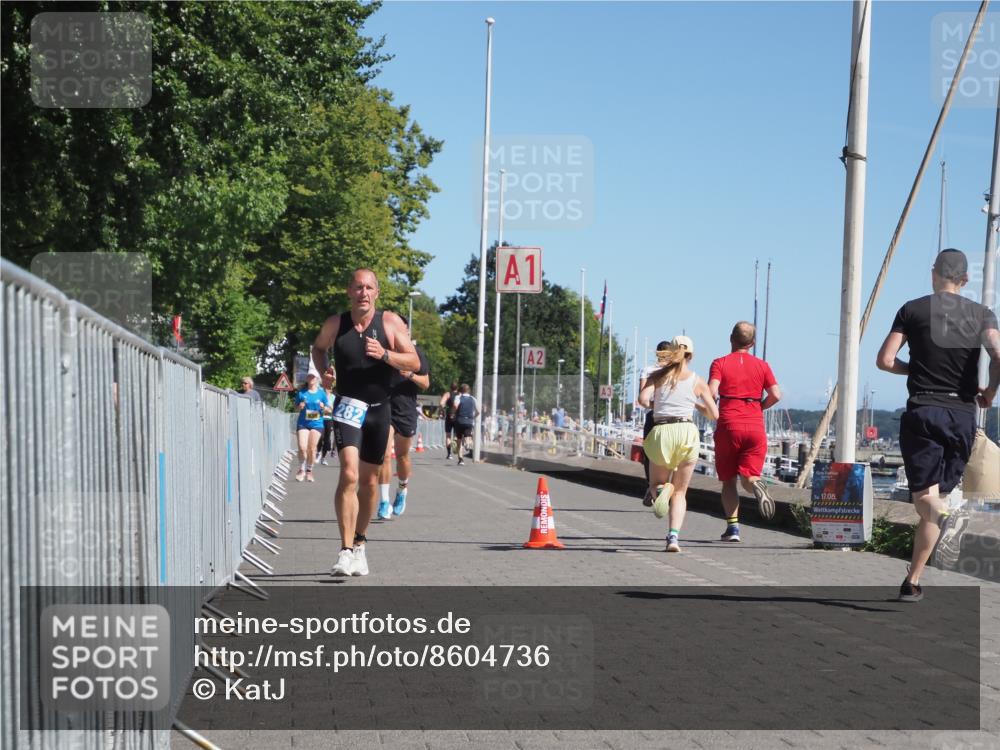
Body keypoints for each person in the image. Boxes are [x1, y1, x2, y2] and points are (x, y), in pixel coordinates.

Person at [876, 249, 1000, 602]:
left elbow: (885, 361)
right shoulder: (982, 314)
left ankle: (944, 518)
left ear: (934, 273)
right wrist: (990, 391)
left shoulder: (912, 309)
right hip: (961, 414)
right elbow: (998, 354)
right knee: (937, 500)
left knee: (926, 502)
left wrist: (911, 369)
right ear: (965, 279)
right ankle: (912, 581)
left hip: (923, 409)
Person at [311, 269, 419, 577]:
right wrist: (325, 371)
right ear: (349, 291)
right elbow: (318, 348)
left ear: (377, 292)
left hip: (379, 409)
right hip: (348, 405)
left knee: (370, 483)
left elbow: (413, 361)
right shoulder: (336, 324)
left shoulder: (390, 323)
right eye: (358, 287)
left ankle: (359, 543)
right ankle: (344, 551)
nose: (364, 292)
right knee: (348, 473)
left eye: (369, 287)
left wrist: (385, 354)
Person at [638, 336, 718, 552]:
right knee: (681, 493)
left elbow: (643, 400)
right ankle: (673, 538)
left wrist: (659, 403)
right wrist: (698, 406)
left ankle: (662, 490)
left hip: (663, 430)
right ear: (690, 355)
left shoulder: (658, 376)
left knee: (655, 485)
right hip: (686, 432)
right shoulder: (697, 381)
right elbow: (714, 413)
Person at [708, 322, 782, 541]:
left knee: (729, 480)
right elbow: (776, 394)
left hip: (729, 424)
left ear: (731, 338)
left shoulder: (719, 363)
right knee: (749, 477)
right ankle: (756, 485)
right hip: (755, 425)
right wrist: (760, 405)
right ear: (752, 343)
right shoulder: (763, 366)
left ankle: (733, 529)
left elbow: (711, 391)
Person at [377, 341, 430, 519]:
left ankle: (401, 490)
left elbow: (426, 383)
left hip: (406, 411)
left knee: (402, 456)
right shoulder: (382, 351)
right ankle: (384, 501)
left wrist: (411, 376)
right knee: (384, 456)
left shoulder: (415, 354)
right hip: (385, 409)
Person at [639, 341, 671, 505]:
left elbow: (642, 398)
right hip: (669, 416)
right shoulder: (675, 371)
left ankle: (651, 487)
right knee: (668, 454)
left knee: (649, 453)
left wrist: (654, 405)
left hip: (653, 415)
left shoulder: (648, 370)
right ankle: (664, 486)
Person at [294, 372, 330, 483]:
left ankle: (309, 471)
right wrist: (299, 407)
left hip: (317, 423)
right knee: (302, 447)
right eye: (309, 376)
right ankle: (301, 469)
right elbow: (295, 408)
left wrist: (324, 408)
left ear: (317, 379)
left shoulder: (321, 393)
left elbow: (329, 409)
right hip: (303, 423)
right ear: (306, 379)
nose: (311, 379)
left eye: (313, 377)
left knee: (312, 448)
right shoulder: (301, 393)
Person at [452, 384, 480, 466]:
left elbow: (455, 406)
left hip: (459, 420)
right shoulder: (473, 399)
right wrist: (473, 417)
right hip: (469, 420)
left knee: (459, 440)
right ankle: (468, 444)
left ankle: (461, 460)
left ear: (460, 390)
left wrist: (453, 413)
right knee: (468, 435)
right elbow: (478, 411)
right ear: (469, 390)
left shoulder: (458, 397)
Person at [318, 368, 337, 465]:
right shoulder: (319, 391)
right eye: (326, 379)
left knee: (327, 438)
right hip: (317, 417)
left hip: (328, 418)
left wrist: (328, 409)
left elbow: (333, 409)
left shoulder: (334, 396)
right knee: (320, 437)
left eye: (330, 380)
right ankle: (318, 452)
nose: (327, 381)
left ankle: (323, 457)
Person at [441, 382, 459, 459]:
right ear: (457, 388)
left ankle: (449, 454)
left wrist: (443, 410)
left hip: (449, 415)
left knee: (448, 435)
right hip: (457, 416)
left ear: (450, 387)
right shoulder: (459, 395)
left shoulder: (448, 394)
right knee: (456, 434)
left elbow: (441, 403)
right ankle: (454, 442)